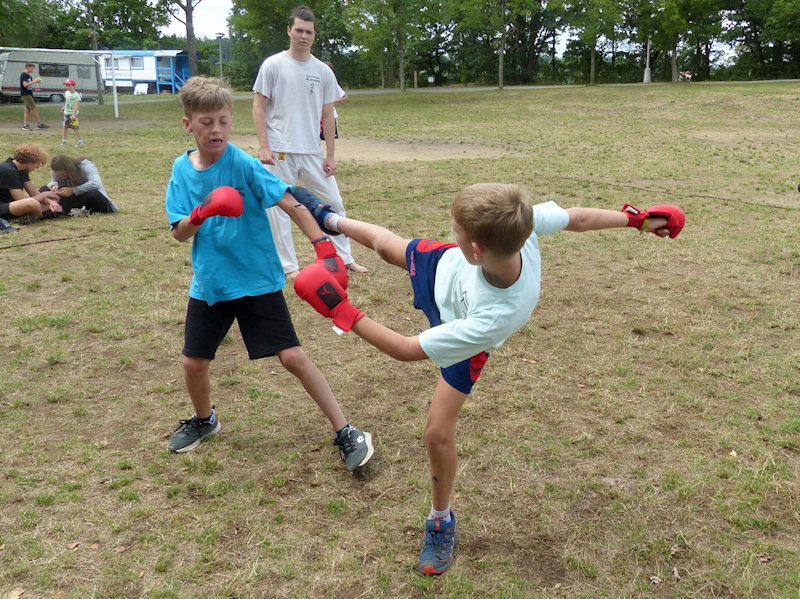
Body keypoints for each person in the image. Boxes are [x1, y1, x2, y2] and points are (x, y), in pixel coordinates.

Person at [292, 185, 685, 575]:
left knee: (436, 434)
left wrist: (340, 309)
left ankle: (440, 520)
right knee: (384, 245)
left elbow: (406, 349)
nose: (451, 229)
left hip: (462, 328)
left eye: (456, 229)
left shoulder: (497, 315)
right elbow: (578, 218)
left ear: (477, 250)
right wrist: (638, 220)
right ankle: (329, 218)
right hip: (443, 268)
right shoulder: (520, 225)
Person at [163, 76, 374, 474]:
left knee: (292, 356)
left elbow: (292, 204)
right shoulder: (181, 169)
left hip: (257, 280)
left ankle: (346, 430)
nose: (217, 129)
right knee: (193, 363)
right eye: (206, 122)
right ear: (188, 124)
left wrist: (324, 248)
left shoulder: (242, 164)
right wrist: (202, 211)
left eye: (224, 121)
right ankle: (205, 420)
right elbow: (178, 233)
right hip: (211, 283)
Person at [252, 5, 367, 279]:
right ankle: (289, 267)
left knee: (333, 203)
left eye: (309, 32)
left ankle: (345, 258)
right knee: (278, 209)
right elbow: (258, 107)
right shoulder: (273, 65)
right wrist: (264, 146)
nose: (303, 36)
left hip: (312, 150)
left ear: (314, 35)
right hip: (279, 151)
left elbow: (328, 114)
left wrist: (330, 154)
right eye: (299, 30)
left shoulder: (322, 71)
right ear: (289, 31)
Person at [0, 143, 62, 224]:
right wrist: (45, 194)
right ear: (31, 160)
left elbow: (33, 192)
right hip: (3, 206)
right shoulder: (9, 171)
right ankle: (39, 216)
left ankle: (31, 215)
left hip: (14, 204)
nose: (38, 166)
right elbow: (21, 200)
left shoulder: (22, 170)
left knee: (54, 200)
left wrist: (50, 202)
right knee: (31, 203)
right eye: (38, 163)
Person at [42, 155, 118, 214]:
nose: (60, 177)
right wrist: (54, 186)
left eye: (62, 174)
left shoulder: (85, 165)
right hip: (74, 199)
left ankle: (69, 209)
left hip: (92, 198)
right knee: (44, 189)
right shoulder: (57, 173)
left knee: (93, 194)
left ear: (69, 169)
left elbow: (96, 183)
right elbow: (54, 181)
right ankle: (58, 209)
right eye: (58, 174)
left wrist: (73, 190)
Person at [320, 61, 347, 141]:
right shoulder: (316, 82)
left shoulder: (333, 83)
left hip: (330, 114)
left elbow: (344, 97)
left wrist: (331, 100)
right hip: (317, 115)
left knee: (329, 138)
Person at [20, 63, 49, 131]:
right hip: (26, 94)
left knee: (28, 109)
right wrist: (34, 81)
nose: (32, 70)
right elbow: (25, 85)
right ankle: (39, 124)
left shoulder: (29, 76)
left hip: (29, 93)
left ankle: (26, 125)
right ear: (27, 67)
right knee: (34, 108)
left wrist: (33, 88)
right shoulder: (24, 75)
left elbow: (28, 86)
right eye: (32, 68)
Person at [60, 79, 84, 147]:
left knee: (75, 127)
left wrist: (74, 115)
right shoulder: (66, 93)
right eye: (66, 85)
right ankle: (63, 141)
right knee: (65, 127)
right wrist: (64, 107)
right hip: (66, 113)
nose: (67, 87)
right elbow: (67, 102)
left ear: (73, 86)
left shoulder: (76, 95)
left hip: (73, 114)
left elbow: (77, 105)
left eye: (69, 85)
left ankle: (80, 141)